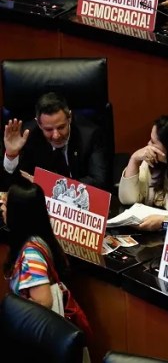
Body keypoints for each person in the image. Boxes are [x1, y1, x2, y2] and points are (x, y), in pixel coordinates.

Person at [2, 179, 92, 337]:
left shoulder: (31, 256)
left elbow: (44, 303)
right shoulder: (39, 238)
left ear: (17, 213)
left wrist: (10, 312)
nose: (2, 207)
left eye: (6, 204)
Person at [2, 92, 112, 192]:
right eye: (49, 129)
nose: (56, 135)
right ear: (39, 124)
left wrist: (47, 184)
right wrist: (11, 155)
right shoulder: (26, 136)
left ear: (69, 118)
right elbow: (10, 186)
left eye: (61, 127)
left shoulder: (91, 136)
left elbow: (99, 183)